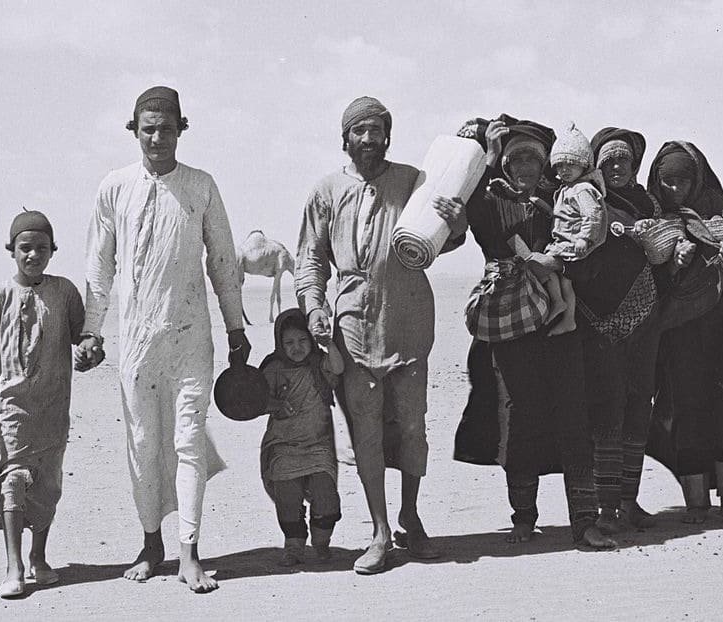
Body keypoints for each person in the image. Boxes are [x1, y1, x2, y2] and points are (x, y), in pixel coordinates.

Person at [80, 86, 251, 593]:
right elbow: (99, 266)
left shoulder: (201, 186)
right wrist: (92, 330)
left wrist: (236, 327)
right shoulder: (114, 186)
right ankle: (150, 542)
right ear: (134, 129)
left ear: (182, 129)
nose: (158, 137)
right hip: (136, 342)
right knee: (142, 444)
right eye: (148, 127)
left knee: (189, 444)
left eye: (167, 127)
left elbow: (222, 260)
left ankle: (188, 552)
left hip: (192, 339)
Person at [295, 96, 467, 574]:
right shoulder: (326, 190)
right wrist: (313, 309)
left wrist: (457, 223)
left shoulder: (415, 180)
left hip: (410, 317)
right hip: (351, 325)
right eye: (360, 131)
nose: (369, 139)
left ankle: (411, 516)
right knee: (365, 431)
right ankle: (380, 530)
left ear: (388, 135)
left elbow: (444, 238)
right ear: (345, 137)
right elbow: (309, 259)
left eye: (378, 130)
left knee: (413, 426)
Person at [459, 115, 616, 550]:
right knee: (518, 417)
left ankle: (584, 521)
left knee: (573, 416)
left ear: (545, 162)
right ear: (506, 165)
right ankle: (524, 518)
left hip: (559, 324)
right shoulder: (490, 198)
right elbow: (482, 223)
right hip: (509, 321)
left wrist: (559, 265)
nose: (525, 166)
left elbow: (592, 253)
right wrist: (488, 159)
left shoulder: (563, 197)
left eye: (533, 157)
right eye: (516, 159)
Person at [0, 210, 94, 598]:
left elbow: (83, 338)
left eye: (41, 248)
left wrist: (89, 352)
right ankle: (14, 565)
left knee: (47, 488)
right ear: (11, 251)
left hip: (52, 411)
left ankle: (39, 557)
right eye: (25, 248)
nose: (33, 255)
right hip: (10, 412)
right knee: (13, 482)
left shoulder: (65, 292)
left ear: (53, 250)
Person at [565, 127, 665, 533]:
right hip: (595, 319)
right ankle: (606, 506)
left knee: (639, 407)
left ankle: (629, 500)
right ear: (597, 165)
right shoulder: (585, 197)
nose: (618, 166)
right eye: (609, 160)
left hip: (645, 316)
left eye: (624, 159)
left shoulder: (648, 202)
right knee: (606, 410)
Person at [646, 141, 723, 524]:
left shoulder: (722, 216)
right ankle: (695, 503)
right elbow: (647, 278)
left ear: (698, 178)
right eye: (667, 180)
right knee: (686, 406)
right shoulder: (653, 220)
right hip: (680, 327)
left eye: (683, 180)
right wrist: (672, 265)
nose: (675, 188)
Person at [259, 309, 345, 566]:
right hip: (283, 446)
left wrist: (328, 344)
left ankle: (321, 543)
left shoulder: (319, 364)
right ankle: (294, 546)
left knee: (325, 493)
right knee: (287, 496)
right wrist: (274, 406)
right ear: (279, 343)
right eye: (289, 343)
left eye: (302, 340)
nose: (296, 348)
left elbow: (339, 368)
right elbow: (254, 399)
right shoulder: (273, 368)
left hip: (318, 444)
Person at [537, 123, 608, 336]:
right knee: (563, 280)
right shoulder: (567, 189)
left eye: (571, 165)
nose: (564, 170)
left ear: (584, 166)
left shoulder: (582, 189)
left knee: (545, 267)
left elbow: (593, 214)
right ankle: (565, 314)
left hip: (573, 245)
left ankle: (561, 306)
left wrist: (584, 239)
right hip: (563, 243)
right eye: (560, 166)